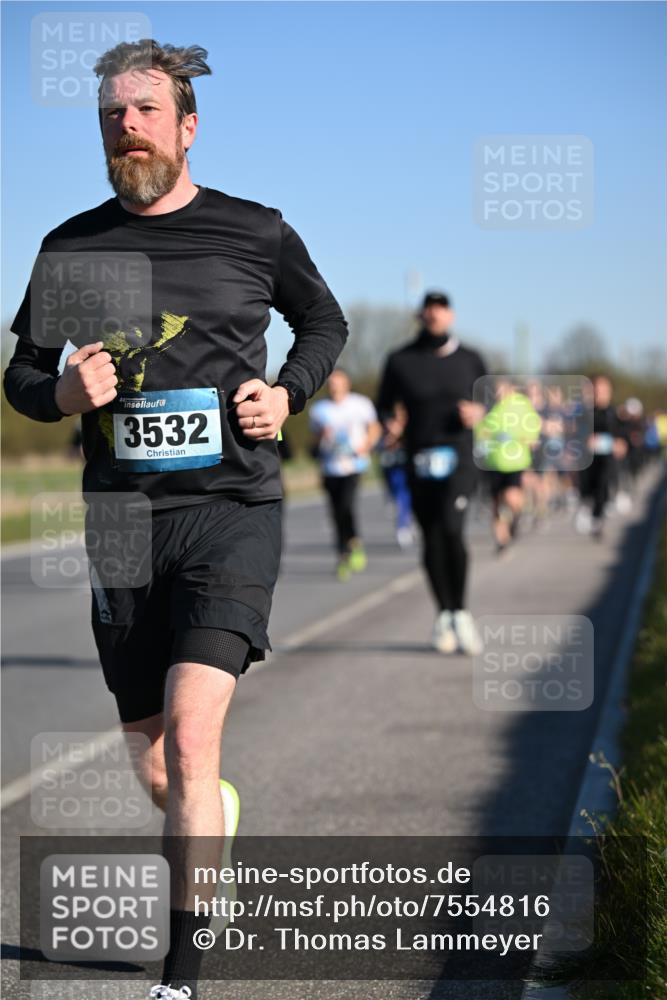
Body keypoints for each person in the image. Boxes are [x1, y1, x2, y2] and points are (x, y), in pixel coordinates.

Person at [4, 39, 348, 1000]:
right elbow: (22, 376)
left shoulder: (253, 232)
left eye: (145, 110)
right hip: (119, 524)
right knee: (159, 767)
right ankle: (210, 814)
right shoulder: (70, 249)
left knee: (195, 742)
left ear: (187, 126)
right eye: (112, 113)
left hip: (231, 508)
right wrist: (64, 392)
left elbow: (323, 324)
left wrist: (287, 394)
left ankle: (180, 976)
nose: (127, 126)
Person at [376, 291, 487, 655]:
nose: (434, 316)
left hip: (459, 456)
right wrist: (391, 423)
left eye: (440, 310)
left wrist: (479, 412)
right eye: (428, 311)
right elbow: (383, 405)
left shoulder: (470, 359)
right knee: (432, 537)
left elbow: (490, 399)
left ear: (450, 315)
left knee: (453, 529)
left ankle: (462, 611)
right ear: (421, 316)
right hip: (418, 456)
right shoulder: (400, 360)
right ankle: (443, 613)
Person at [309, 368, 381, 580]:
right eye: (331, 384)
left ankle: (354, 543)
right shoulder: (319, 409)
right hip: (330, 466)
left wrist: (366, 445)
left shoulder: (360, 404)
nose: (335, 387)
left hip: (354, 465)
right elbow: (314, 439)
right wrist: (322, 437)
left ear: (347, 383)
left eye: (338, 383)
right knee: (335, 512)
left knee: (346, 506)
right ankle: (342, 553)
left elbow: (374, 428)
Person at [474, 377, 541, 556]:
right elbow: (480, 429)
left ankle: (516, 518)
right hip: (493, 462)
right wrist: (484, 435)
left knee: (512, 498)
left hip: (515, 461)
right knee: (495, 503)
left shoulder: (521, 404)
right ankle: (501, 542)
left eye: (501, 389)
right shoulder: (490, 407)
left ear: (510, 388)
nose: (498, 393)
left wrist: (527, 437)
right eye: (496, 390)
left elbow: (532, 425)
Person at [576, 375, 628, 540]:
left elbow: (622, 439)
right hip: (588, 459)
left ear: (609, 391)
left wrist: (620, 445)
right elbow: (576, 434)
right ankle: (587, 509)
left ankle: (598, 520)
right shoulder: (585, 412)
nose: (600, 393)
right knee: (588, 489)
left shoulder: (615, 414)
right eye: (597, 389)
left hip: (607, 460)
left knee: (602, 487)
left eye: (603, 389)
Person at [377, 401, 415, 549]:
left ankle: (403, 526)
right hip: (390, 464)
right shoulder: (385, 425)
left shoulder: (410, 423)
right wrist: (389, 439)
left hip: (406, 465)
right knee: (396, 495)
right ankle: (404, 520)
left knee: (404, 495)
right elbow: (378, 444)